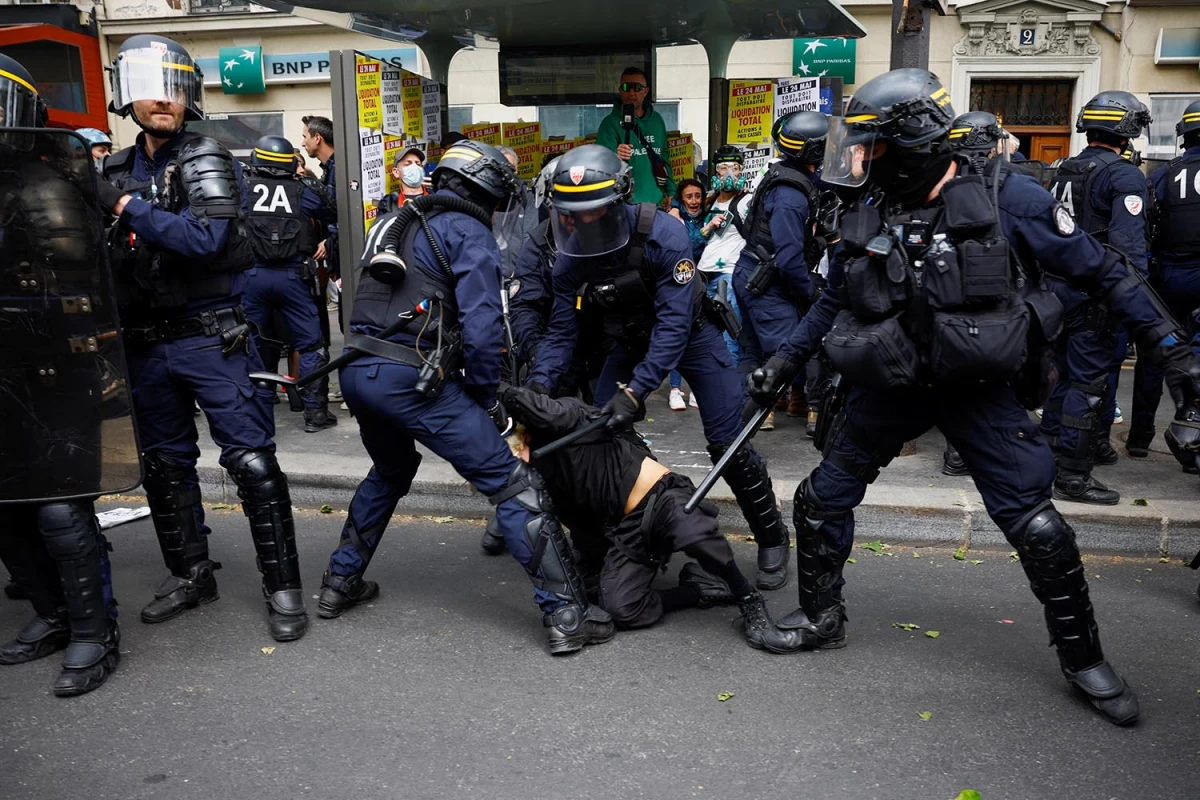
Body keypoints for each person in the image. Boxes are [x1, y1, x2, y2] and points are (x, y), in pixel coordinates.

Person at [745, 68, 1200, 726]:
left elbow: (1104, 271)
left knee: (1036, 526)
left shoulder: (1007, 197)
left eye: (873, 145)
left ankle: (1084, 658)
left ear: (914, 143)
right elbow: (835, 297)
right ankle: (820, 618)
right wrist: (784, 362)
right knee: (821, 500)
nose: (859, 157)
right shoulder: (866, 203)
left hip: (977, 389)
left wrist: (1175, 351)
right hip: (892, 380)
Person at [317, 140, 615, 655]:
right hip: (410, 382)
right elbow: (482, 332)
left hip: (357, 373)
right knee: (514, 484)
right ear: (490, 190)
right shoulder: (467, 230)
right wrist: (483, 397)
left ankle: (338, 583)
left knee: (390, 471)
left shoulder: (396, 222)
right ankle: (567, 613)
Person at [97, 35, 309, 642]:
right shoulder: (113, 168)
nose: (161, 99)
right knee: (164, 466)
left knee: (251, 462)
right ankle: (191, 573)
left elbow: (204, 241)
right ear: (128, 93)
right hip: (142, 342)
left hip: (208, 339)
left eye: (172, 88)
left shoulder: (205, 157)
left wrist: (122, 207)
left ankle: (283, 586)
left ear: (187, 96)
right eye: (150, 86)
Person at [527, 144, 792, 592]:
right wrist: (536, 388)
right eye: (574, 215)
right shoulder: (571, 253)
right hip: (630, 341)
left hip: (692, 337)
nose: (583, 224)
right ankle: (624, 537)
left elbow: (673, 325)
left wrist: (634, 393)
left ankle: (770, 533)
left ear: (620, 202)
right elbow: (560, 333)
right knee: (597, 433)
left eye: (594, 213)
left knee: (726, 440)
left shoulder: (663, 233)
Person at [499, 384, 805, 651]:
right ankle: (699, 588)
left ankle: (749, 600)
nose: (516, 449)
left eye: (517, 438)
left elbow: (547, 410)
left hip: (661, 499)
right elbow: (578, 524)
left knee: (693, 530)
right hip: (624, 529)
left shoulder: (567, 416)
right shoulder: (532, 474)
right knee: (620, 608)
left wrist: (495, 390)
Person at [0, 56, 127, 696]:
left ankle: (92, 629)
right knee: (7, 507)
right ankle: (52, 615)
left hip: (53, 364)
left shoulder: (48, 187)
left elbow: (76, 282)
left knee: (57, 507)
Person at [1040, 91, 1154, 504]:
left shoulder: (1064, 169)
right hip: (1095, 294)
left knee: (1062, 377)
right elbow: (1128, 248)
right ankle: (1072, 475)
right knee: (1087, 384)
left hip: (1057, 289)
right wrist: (1134, 300)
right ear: (1127, 131)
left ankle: (1050, 455)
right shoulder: (1125, 176)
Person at [732, 111, 831, 430]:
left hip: (757, 275)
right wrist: (811, 294)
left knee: (757, 354)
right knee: (783, 358)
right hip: (768, 284)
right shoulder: (791, 194)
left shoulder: (788, 177)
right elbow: (788, 260)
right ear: (812, 150)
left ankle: (733, 421)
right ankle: (736, 430)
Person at [241, 134, 338, 433]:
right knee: (311, 345)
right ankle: (315, 414)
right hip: (294, 277)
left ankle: (254, 415)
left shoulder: (242, 188)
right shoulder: (305, 190)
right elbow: (335, 211)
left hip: (252, 277)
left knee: (250, 344)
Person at [1128, 100, 1200, 457]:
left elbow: (1143, 227)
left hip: (1169, 276)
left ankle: (1140, 437)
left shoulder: (1162, 174)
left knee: (1156, 354)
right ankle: (1191, 447)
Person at [696, 146, 753, 368]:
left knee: (730, 333)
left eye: (735, 167)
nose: (729, 173)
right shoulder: (709, 202)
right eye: (723, 167)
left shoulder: (746, 202)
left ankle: (728, 386)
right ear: (715, 172)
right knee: (707, 332)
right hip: (705, 272)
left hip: (729, 273)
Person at [596, 66, 675, 206]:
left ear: (646, 91)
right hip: (623, 205)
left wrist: (671, 192)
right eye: (626, 87)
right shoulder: (609, 124)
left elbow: (664, 157)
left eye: (637, 87)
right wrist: (615, 156)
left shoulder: (657, 120)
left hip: (655, 204)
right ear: (620, 90)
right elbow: (601, 166)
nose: (631, 93)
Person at [667, 178, 708, 410]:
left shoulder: (708, 215)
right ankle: (674, 389)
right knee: (678, 335)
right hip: (678, 283)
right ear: (681, 199)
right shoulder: (673, 219)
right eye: (688, 197)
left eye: (698, 196)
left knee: (700, 337)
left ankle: (695, 390)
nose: (694, 201)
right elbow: (689, 243)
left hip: (702, 284)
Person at [378, 144, 427, 215]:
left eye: (418, 164)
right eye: (408, 164)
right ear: (396, 172)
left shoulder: (436, 196)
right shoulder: (389, 203)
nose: (414, 167)